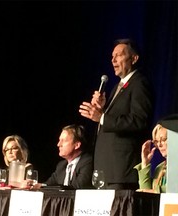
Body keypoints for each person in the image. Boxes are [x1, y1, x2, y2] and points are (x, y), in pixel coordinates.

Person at [79, 38, 153, 190]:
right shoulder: (118, 86)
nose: (113, 60)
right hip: (107, 170)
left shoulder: (139, 83)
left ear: (134, 58)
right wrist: (103, 108)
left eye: (119, 55)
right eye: (112, 56)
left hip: (121, 172)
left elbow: (139, 121)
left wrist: (102, 117)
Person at [34, 124, 93, 189]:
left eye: (63, 141)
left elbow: (77, 187)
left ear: (77, 145)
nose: (58, 144)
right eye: (59, 140)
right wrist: (34, 185)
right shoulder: (61, 165)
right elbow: (48, 184)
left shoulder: (87, 162)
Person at [134, 114, 178, 193]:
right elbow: (146, 195)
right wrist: (145, 163)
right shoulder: (160, 168)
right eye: (156, 141)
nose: (159, 145)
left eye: (163, 139)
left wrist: (156, 191)